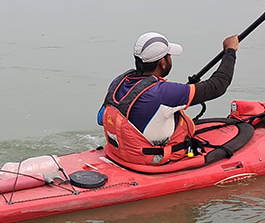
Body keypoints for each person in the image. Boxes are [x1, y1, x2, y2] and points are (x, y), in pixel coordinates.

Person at [99, 32, 239, 167]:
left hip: (120, 153)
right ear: (162, 63)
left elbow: (101, 119)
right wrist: (230, 50)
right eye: (169, 56)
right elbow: (218, 85)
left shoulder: (119, 81)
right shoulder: (163, 93)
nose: (170, 59)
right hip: (151, 160)